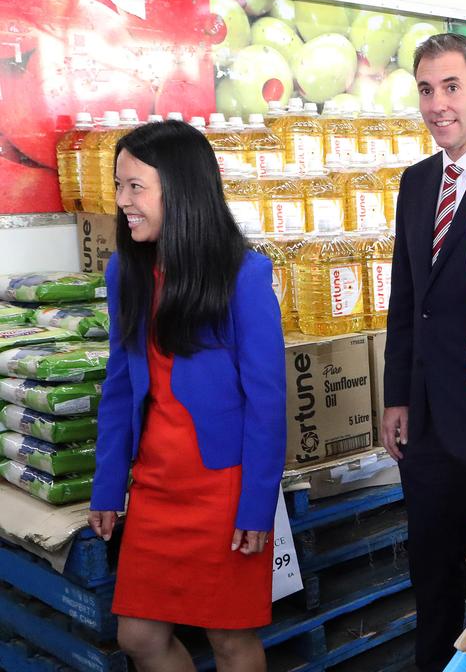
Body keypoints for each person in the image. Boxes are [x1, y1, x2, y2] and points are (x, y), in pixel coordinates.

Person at [88, 120, 285, 672]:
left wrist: (256, 507)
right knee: (138, 636)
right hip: (154, 487)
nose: (123, 201)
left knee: (230, 642)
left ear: (181, 189)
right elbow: (120, 384)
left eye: (135, 187)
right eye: (119, 185)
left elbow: (267, 402)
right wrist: (107, 487)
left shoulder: (242, 275)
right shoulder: (125, 272)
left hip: (224, 490)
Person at [379, 33, 466, 669]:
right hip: (428, 419)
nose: (437, 104)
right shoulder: (414, 184)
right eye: (426, 90)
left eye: (451, 86)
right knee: (433, 569)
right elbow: (407, 299)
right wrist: (397, 397)